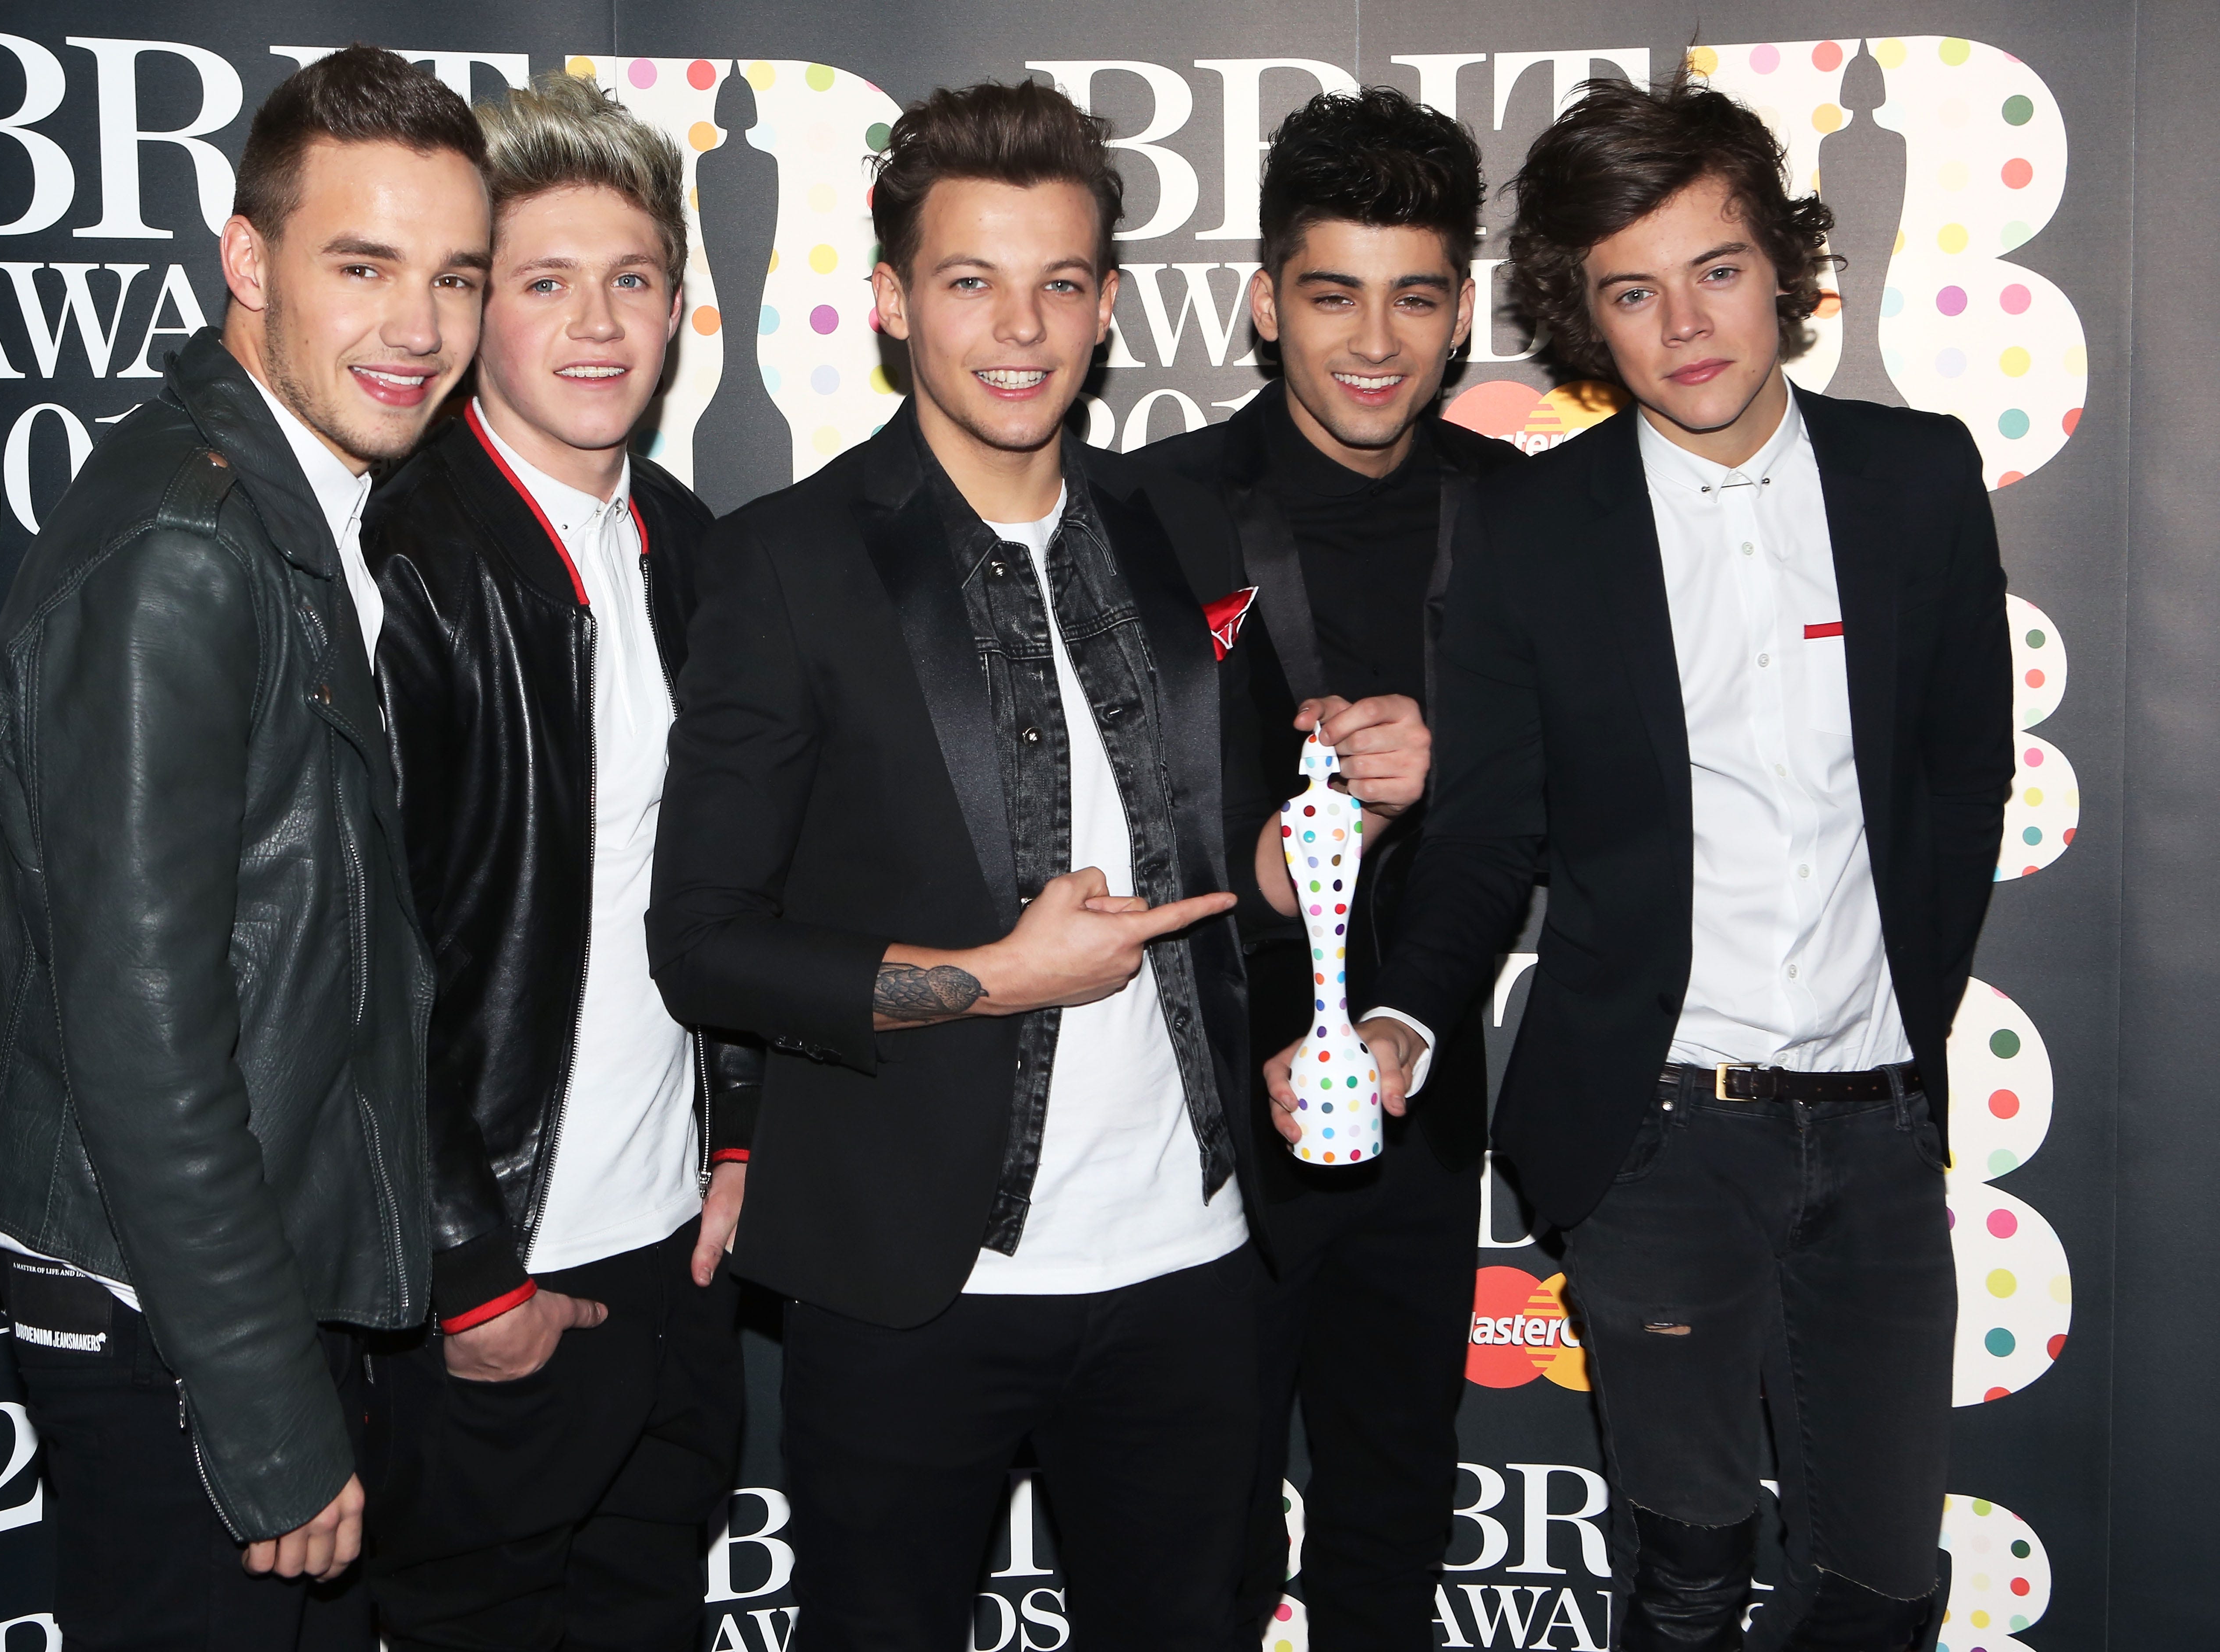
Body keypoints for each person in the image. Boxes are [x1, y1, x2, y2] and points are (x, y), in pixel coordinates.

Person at [1361, 74, 2011, 1648]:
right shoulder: (1534, 530)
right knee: (1690, 1580)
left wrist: (1904, 1044)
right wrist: (1408, 1013)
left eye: (1717, 269)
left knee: (1882, 1590)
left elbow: (1959, 779)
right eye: (1632, 292)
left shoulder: (1916, 480)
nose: (1687, 324)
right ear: (1587, 321)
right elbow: (1490, 827)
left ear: (1783, 269)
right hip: (1657, 1140)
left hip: (1874, 1136)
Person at [647, 79, 1274, 1652]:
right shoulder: (785, 562)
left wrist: (1311, 835)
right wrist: (991, 982)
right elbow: (703, 943)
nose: (1022, 326)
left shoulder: (1183, 527)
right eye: (969, 280)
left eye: (1061, 282)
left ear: (1109, 304)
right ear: (889, 301)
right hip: (911, 1281)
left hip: (1195, 1263)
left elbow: (1221, 855)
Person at [0, 46, 487, 1652]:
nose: (418, 328)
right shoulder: (189, 545)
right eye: (363, 265)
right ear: (247, 261)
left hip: (232, 1270)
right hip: (167, 1308)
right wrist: (259, 1404)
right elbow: (146, 1038)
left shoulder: (287, 498)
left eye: (453, 276)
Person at [359, 70, 758, 1652]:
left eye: (634, 280)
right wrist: (466, 1278)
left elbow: (725, 889)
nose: (599, 325)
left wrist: (740, 1135)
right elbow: (363, 963)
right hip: (498, 1275)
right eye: (542, 282)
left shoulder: (690, 540)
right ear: (473, 310)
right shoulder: (407, 558)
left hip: (673, 1256)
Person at [1138, 87, 1520, 1648]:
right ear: (1260, 301)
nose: (1375, 340)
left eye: (1415, 296)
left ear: (1460, 311)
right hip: (1200, 1128)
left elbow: (1521, 831)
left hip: (1415, 1106)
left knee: (1388, 1540)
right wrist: (1271, 865)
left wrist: (1408, 1021)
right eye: (1332, 292)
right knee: (1188, 1556)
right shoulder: (1147, 509)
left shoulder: (1525, 521)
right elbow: (1109, 820)